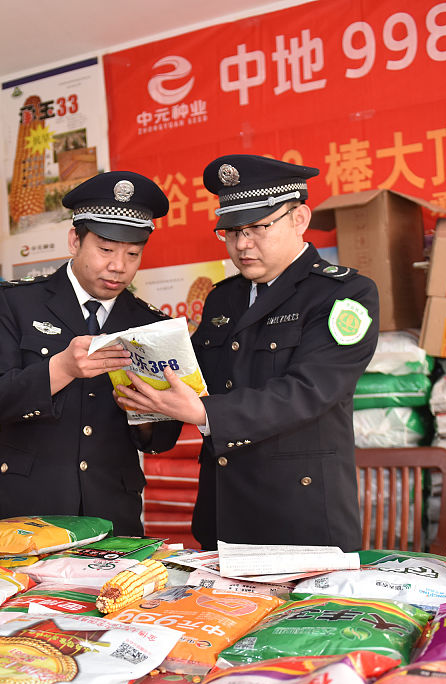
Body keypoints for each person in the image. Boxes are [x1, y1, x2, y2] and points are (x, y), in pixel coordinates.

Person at [115, 155, 379, 551]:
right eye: (232, 231)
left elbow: (308, 391)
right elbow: (197, 381)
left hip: (298, 518)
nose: (242, 244)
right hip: (222, 516)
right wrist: (145, 408)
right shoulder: (224, 299)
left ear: (299, 219)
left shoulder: (343, 294)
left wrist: (204, 412)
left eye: (258, 227)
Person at [0, 171, 182, 537]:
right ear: (75, 240)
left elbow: (161, 441)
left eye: (133, 254)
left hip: (112, 515)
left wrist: (147, 409)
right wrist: (61, 368)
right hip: (25, 510)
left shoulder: (148, 323)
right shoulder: (18, 302)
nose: (119, 266)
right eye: (105, 250)